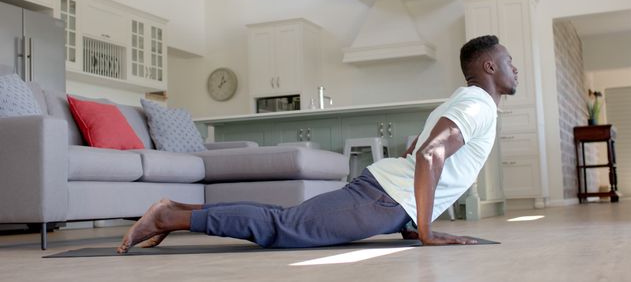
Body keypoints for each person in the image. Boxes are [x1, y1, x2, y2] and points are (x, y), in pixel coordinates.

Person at [116, 35, 518, 253]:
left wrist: (412, 222)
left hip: (385, 197)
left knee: (282, 219)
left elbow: (417, 146)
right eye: (509, 61)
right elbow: (429, 153)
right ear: (489, 66)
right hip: (383, 200)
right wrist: (427, 229)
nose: (514, 68)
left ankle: (175, 210)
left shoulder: (462, 101)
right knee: (282, 228)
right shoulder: (478, 104)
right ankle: (171, 217)